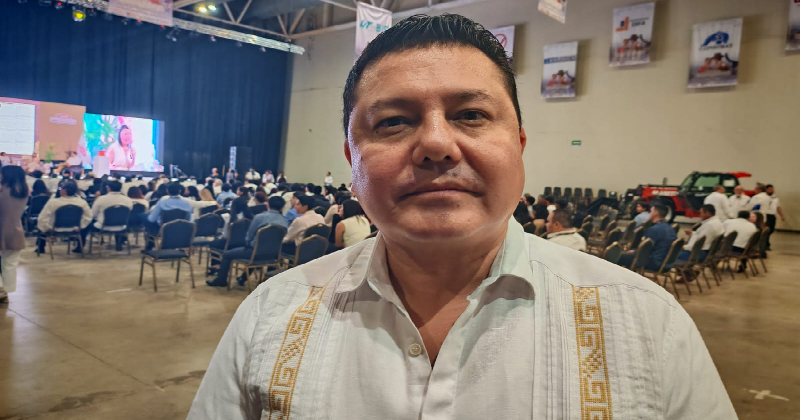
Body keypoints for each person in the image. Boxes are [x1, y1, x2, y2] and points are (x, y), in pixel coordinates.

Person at [189, 15, 735, 420]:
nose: (436, 144)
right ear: (351, 159)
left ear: (519, 145)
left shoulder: (644, 323)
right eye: (393, 121)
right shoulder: (271, 316)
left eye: (471, 114)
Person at [206, 196, 289, 288]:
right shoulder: (285, 221)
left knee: (227, 254)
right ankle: (243, 278)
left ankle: (221, 280)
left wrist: (248, 244)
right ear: (282, 207)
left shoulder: (260, 217)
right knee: (257, 249)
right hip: (274, 255)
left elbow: (249, 236)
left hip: (254, 253)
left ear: (268, 205)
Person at [36, 180, 92, 254]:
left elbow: (42, 218)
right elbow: (89, 216)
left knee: (41, 224)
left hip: (54, 228)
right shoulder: (82, 202)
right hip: (74, 228)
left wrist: (47, 228)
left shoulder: (53, 202)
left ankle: (41, 247)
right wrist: (81, 226)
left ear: (64, 190)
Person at [0, 165, 30, 303]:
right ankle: (5, 291)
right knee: (10, 263)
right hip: (15, 230)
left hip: (1, 229)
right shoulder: (23, 192)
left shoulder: (2, 192)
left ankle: (0, 288)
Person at [618, 204, 677, 270]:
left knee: (621, 257)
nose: (649, 214)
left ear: (655, 213)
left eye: (651, 211)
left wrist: (634, 252)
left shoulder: (654, 229)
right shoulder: (670, 228)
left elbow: (645, 250)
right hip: (667, 264)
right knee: (629, 256)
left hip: (655, 263)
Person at [85, 180, 133, 250]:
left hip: (103, 226)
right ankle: (119, 244)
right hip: (122, 226)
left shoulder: (101, 199)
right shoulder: (128, 200)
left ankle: (81, 246)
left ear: (108, 188)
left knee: (86, 223)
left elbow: (93, 214)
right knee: (117, 218)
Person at [144, 183, 193, 250]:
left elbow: (152, 219)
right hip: (181, 230)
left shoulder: (162, 202)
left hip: (163, 229)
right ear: (179, 191)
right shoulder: (187, 203)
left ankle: (151, 244)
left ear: (167, 191)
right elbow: (189, 220)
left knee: (146, 218)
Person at [763, 184, 785, 252]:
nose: (771, 190)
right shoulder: (763, 197)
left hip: (772, 215)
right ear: (766, 190)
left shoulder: (775, 198)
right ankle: (766, 244)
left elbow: (778, 207)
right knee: (767, 230)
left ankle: (765, 242)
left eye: (772, 189)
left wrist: (782, 215)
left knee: (771, 230)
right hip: (766, 215)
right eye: (770, 189)